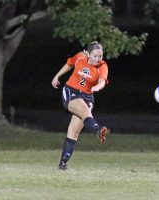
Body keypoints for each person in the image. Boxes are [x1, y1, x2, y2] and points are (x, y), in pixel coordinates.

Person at [51, 41, 109, 170]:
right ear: (88, 54)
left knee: (74, 131)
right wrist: (57, 76)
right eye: (95, 56)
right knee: (84, 110)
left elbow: (102, 81)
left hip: (88, 96)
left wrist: (97, 88)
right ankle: (98, 130)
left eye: (100, 56)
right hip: (71, 92)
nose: (98, 59)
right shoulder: (80, 57)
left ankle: (63, 163)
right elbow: (69, 63)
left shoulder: (102, 66)